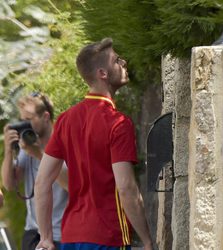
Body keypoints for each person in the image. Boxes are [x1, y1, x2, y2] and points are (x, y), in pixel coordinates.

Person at [35, 38, 153, 250]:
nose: (124, 63)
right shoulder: (118, 123)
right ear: (102, 73)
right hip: (108, 236)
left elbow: (42, 181)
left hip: (71, 236)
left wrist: (45, 238)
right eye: (117, 60)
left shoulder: (65, 119)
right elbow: (126, 187)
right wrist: (146, 240)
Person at [1, 93, 68, 250]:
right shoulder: (27, 145)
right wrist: (9, 151)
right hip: (32, 233)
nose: (24, 125)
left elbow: (73, 186)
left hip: (60, 234)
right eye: (21, 120)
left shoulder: (64, 144)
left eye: (28, 120)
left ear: (45, 116)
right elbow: (10, 185)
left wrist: (39, 153)